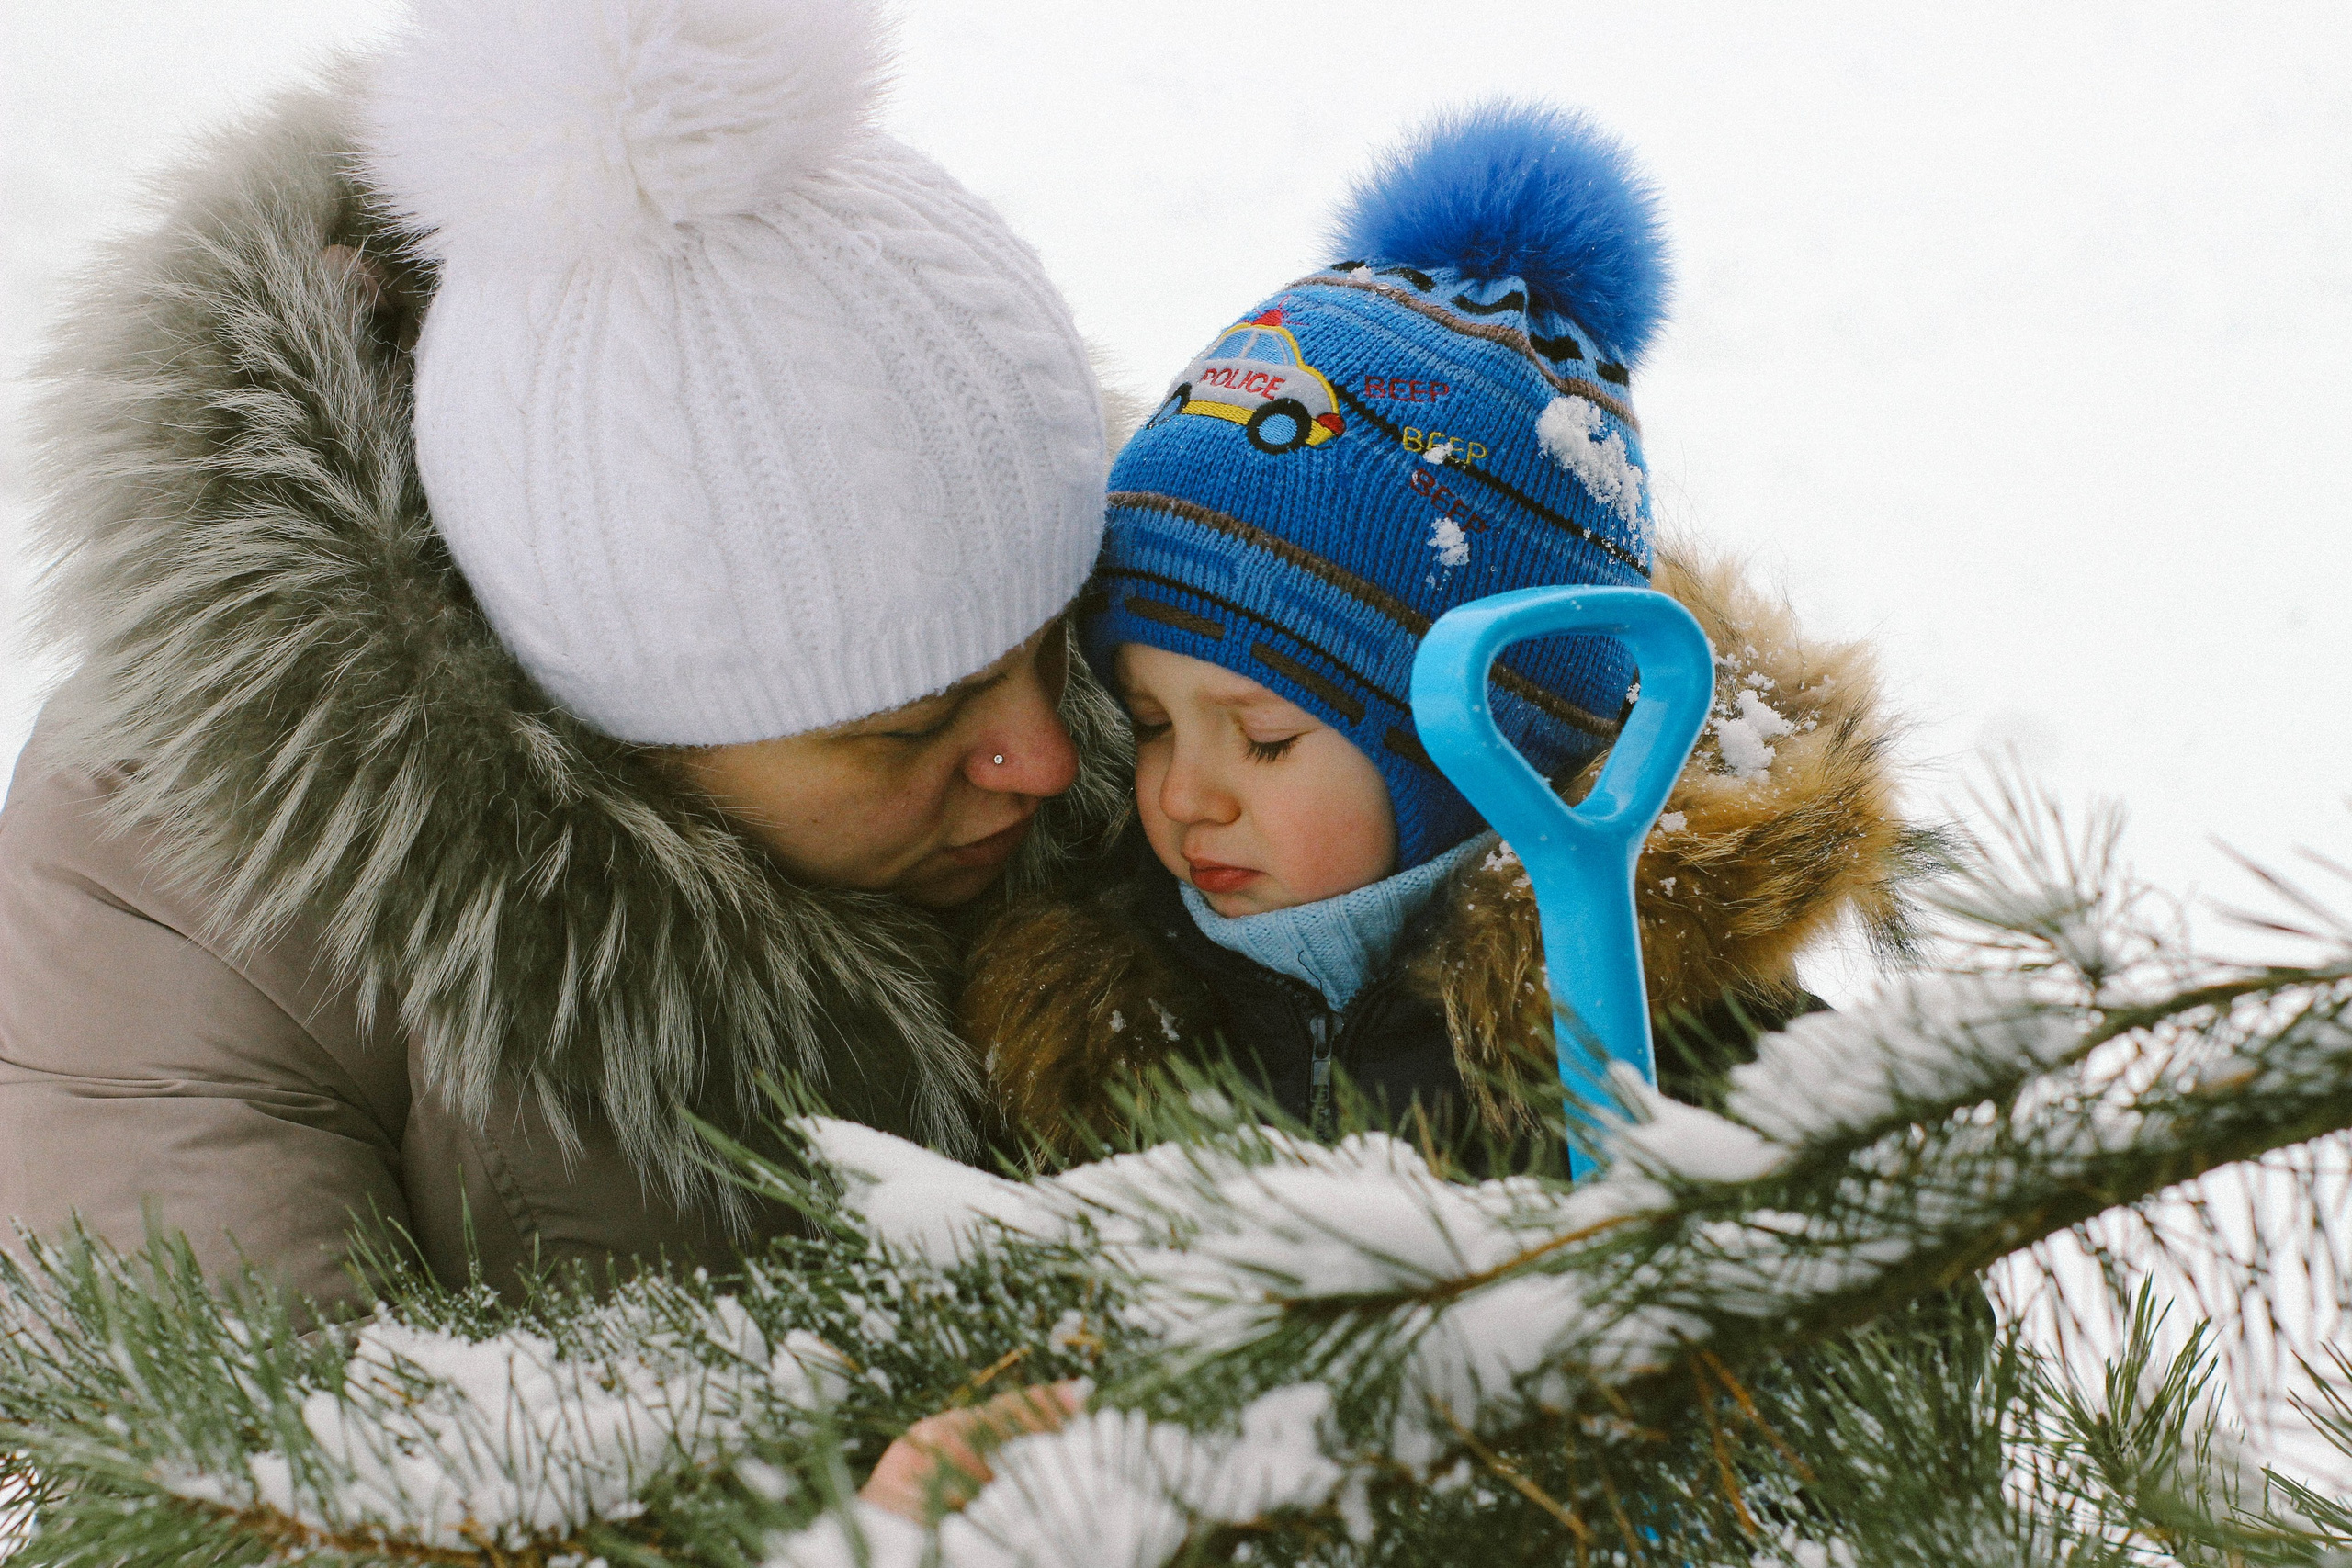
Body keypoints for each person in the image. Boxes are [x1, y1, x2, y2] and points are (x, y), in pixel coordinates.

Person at [0, 0, 1134, 1316]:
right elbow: (260, 1481)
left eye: (1049, 643)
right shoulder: (170, 903)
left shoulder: (1180, 695)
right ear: (606, 712)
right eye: (906, 722)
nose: (1048, 756)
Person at [963, 104, 1925, 1157]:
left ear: (1488, 744)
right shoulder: (1113, 1026)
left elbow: (1905, 1306)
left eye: (1267, 737)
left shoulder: (1715, 1067)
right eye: (1151, 722)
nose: (1185, 794)